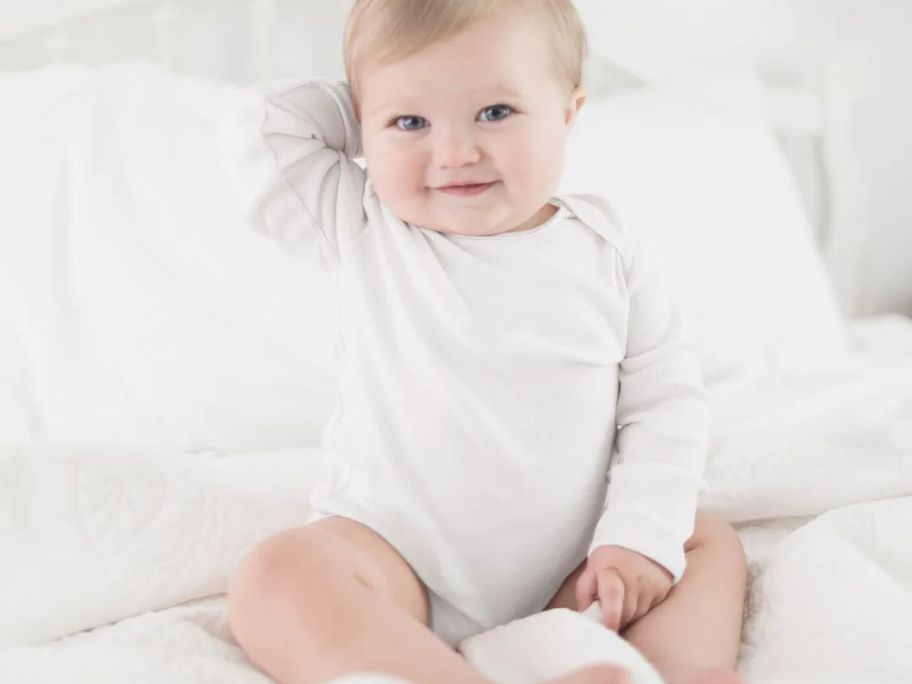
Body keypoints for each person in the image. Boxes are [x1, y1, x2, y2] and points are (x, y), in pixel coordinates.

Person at [218, 1, 748, 683]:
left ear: (567, 111)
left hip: (580, 565)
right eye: (412, 123)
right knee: (276, 576)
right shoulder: (362, 226)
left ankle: (673, 672)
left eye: (494, 112)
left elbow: (666, 402)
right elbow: (259, 126)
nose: (454, 152)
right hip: (400, 562)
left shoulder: (608, 248)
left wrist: (636, 539)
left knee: (704, 541)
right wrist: (379, 99)